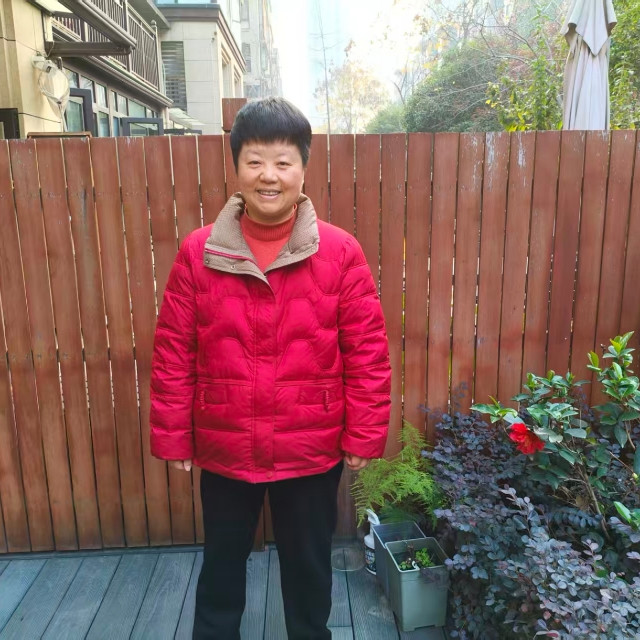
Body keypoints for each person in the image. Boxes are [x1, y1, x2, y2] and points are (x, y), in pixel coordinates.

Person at [149, 97, 391, 640]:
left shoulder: (339, 252)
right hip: (226, 442)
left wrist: (363, 432)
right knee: (221, 568)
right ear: (237, 166)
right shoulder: (200, 251)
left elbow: (367, 351)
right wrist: (174, 434)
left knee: (309, 571)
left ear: (303, 169)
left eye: (283, 162)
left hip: (310, 445)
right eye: (255, 160)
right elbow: (174, 350)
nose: (269, 175)